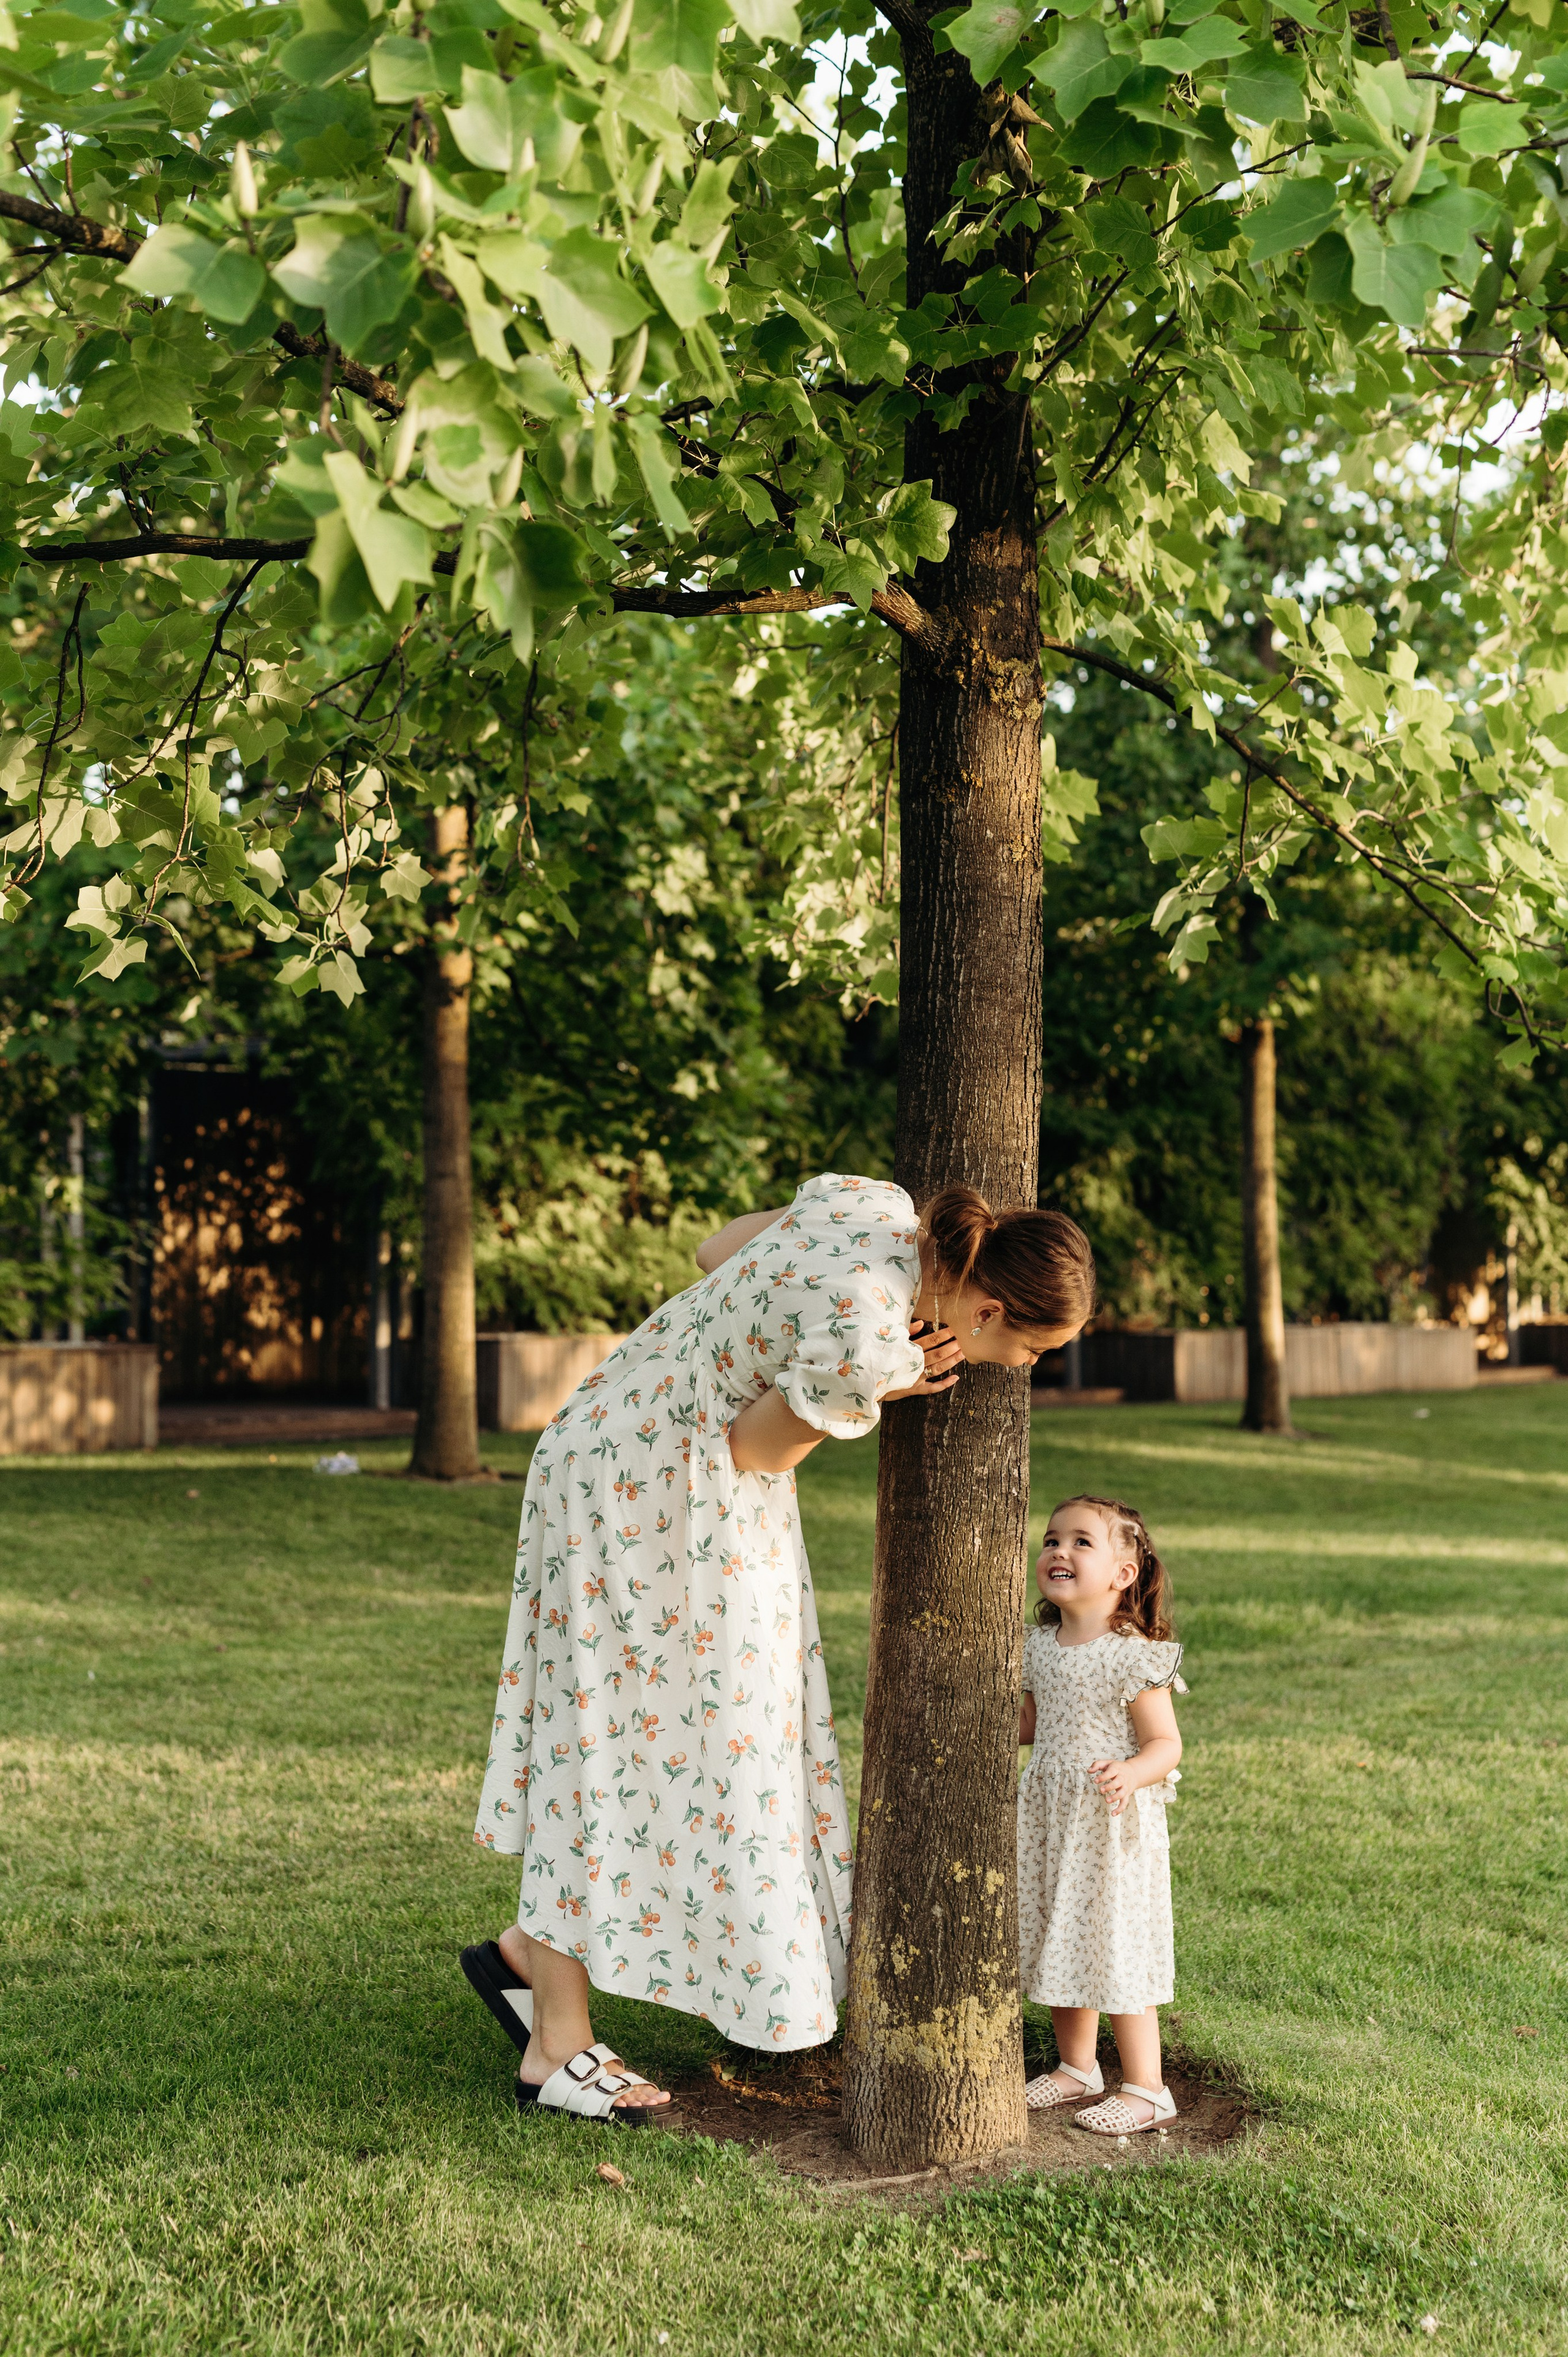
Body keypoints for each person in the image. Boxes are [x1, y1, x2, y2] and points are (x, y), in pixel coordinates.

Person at [462, 1172, 1094, 2126]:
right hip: (658, 1502)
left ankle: (532, 1950)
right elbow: (755, 1449)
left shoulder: (876, 1210)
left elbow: (720, 1248)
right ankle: (554, 2044)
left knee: (643, 1730)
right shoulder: (867, 1335)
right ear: (987, 1304)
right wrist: (885, 1378)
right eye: (1026, 1348)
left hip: (609, 1444)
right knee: (628, 1736)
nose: (1017, 1366)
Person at [1016, 1493, 1185, 2135]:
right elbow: (1035, 1721)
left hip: (1109, 1824)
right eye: (1052, 1539)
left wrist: (1131, 1771)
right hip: (1053, 1819)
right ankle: (1076, 2066)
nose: (1059, 1550)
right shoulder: (1039, 1645)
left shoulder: (1131, 1654)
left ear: (1122, 1573)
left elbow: (1164, 1743)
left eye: (1081, 1541)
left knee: (1114, 1945)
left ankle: (1147, 2088)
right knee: (1061, 1934)